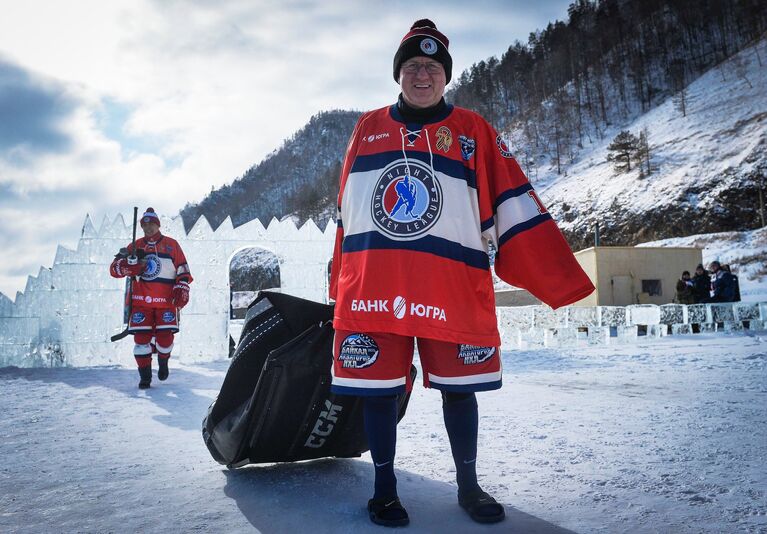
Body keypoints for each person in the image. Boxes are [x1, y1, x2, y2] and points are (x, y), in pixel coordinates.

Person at [328, 19, 595, 527]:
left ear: (445, 76)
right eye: (411, 66)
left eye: (431, 66)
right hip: (374, 290)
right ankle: (384, 491)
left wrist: (555, 275)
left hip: (450, 284)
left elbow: (512, 200)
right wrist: (339, 282)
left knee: (460, 387)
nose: (421, 74)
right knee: (379, 393)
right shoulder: (367, 127)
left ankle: (468, 486)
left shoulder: (472, 130)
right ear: (398, 75)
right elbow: (347, 213)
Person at [109, 208, 192, 388]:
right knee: (141, 341)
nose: (148, 228)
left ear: (158, 225)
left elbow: (183, 270)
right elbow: (113, 268)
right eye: (145, 225)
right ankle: (145, 377)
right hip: (140, 303)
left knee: (165, 339)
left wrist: (182, 286)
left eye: (152, 224)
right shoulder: (134, 246)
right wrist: (125, 267)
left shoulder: (172, 245)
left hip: (166, 302)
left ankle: (163, 363)